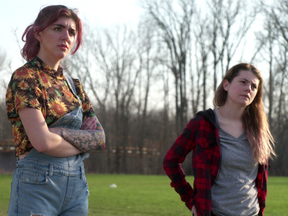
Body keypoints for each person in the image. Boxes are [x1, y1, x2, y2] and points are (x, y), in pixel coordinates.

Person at [6, 5, 105, 216]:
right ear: (38, 33)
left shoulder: (74, 86)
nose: (66, 36)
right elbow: (42, 143)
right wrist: (83, 144)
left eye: (71, 32)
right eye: (58, 28)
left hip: (77, 188)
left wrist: (61, 133)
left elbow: (100, 139)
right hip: (37, 184)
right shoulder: (26, 77)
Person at [163, 63, 276, 216]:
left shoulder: (258, 129)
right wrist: (190, 200)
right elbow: (170, 161)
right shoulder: (203, 123)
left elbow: (260, 180)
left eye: (254, 86)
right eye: (243, 82)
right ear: (226, 85)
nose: (249, 88)